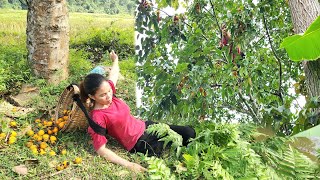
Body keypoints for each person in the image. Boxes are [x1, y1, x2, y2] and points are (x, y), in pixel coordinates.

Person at [79, 50, 196, 173]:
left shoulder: (108, 91)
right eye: (103, 95)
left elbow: (114, 74)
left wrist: (115, 60)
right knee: (164, 164)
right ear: (92, 97)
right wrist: (130, 165)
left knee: (189, 132)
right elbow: (101, 150)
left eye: (109, 91)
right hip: (139, 142)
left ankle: (193, 157)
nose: (108, 96)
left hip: (147, 126)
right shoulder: (98, 117)